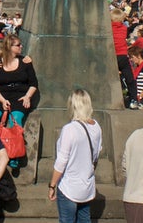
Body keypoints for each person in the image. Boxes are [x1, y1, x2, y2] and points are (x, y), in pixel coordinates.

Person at [49, 89, 102, 223]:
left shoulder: (70, 129)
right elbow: (96, 157)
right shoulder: (96, 127)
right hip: (87, 185)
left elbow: (61, 162)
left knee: (67, 220)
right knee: (84, 219)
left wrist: (52, 185)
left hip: (69, 186)